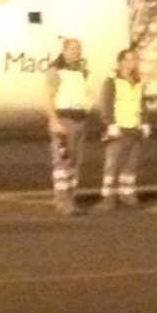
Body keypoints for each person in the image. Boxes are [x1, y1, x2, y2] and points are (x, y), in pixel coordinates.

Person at [43, 37, 94, 215]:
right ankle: (62, 201)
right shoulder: (56, 71)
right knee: (62, 161)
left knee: (75, 162)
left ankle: (70, 199)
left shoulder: (81, 71)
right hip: (64, 119)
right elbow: (48, 97)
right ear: (64, 51)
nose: (76, 52)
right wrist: (53, 120)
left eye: (78, 49)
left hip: (80, 119)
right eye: (72, 49)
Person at [99, 47, 152, 210]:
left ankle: (127, 194)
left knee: (131, 164)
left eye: (133, 60)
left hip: (133, 127)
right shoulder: (112, 81)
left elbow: (141, 104)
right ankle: (108, 198)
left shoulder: (137, 83)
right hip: (119, 128)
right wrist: (110, 123)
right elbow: (106, 103)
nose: (131, 63)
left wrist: (145, 122)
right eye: (127, 60)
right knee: (112, 165)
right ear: (120, 62)